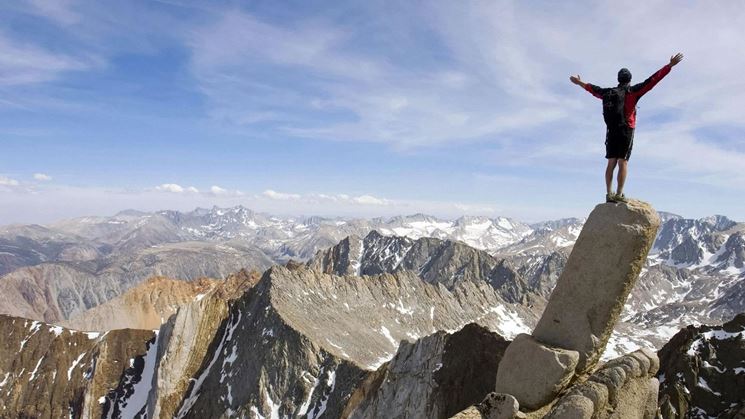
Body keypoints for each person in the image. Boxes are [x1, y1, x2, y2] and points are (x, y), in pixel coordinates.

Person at [570, 53, 684, 203]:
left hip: (611, 131)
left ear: (618, 80)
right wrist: (669, 66)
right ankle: (619, 194)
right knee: (622, 161)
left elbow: (592, 89)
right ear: (629, 80)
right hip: (626, 130)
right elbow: (652, 80)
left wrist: (579, 82)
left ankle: (608, 194)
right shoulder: (633, 92)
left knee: (611, 162)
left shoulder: (607, 93)